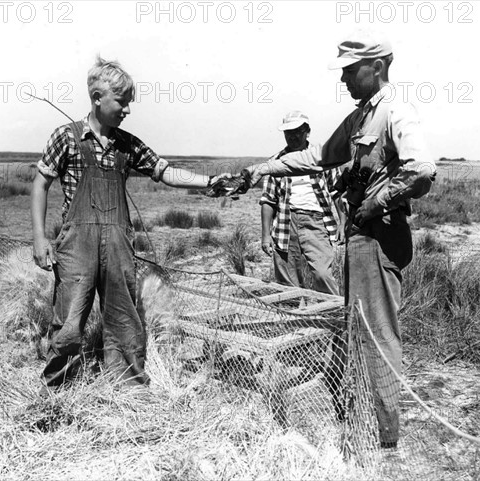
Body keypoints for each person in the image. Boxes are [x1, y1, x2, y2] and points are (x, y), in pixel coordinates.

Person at [225, 30, 436, 449]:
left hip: (380, 236)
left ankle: (383, 434)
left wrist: (378, 203)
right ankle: (362, 419)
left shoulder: (395, 112)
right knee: (358, 329)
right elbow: (319, 156)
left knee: (377, 333)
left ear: (376, 67)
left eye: (349, 71)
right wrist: (263, 168)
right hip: (359, 238)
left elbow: (422, 170)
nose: (343, 80)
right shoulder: (360, 118)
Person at [31, 56, 220, 392]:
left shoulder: (127, 145)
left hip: (119, 245)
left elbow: (165, 171)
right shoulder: (67, 137)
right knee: (70, 318)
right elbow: (40, 183)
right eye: (122, 102)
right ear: (97, 97)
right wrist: (39, 238)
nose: (127, 110)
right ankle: (58, 390)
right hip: (75, 246)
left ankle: (128, 387)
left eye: (130, 102)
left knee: (122, 317)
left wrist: (210, 181)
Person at [260, 110, 343, 295]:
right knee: (287, 279)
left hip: (316, 222)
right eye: (288, 132)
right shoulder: (275, 162)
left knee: (322, 274)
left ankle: (336, 316)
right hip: (285, 223)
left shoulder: (323, 157)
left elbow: (337, 191)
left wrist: (343, 223)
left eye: (297, 131)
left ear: (307, 131)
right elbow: (268, 200)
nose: (293, 136)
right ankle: (293, 319)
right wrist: (266, 235)